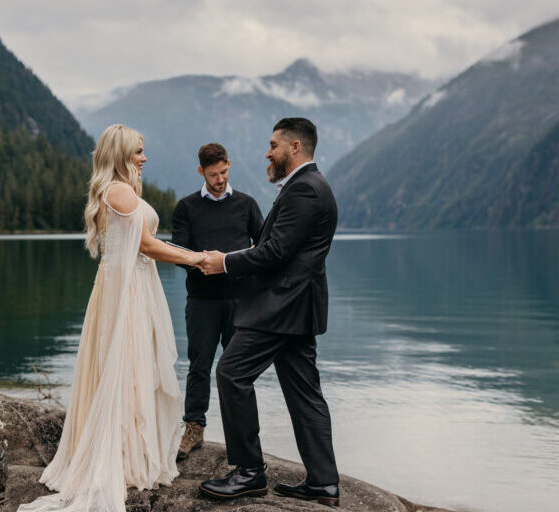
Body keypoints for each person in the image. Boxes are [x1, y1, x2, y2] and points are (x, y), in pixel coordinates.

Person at [18, 124, 206, 512]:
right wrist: (197, 258)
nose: (145, 157)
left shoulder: (120, 189)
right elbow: (148, 246)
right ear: (121, 154)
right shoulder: (120, 191)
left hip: (123, 285)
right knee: (128, 369)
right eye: (139, 150)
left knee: (127, 369)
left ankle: (129, 452)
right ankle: (123, 457)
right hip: (127, 293)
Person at [197, 118, 341, 507]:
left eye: (273, 145)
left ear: (295, 147)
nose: (267, 152)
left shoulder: (305, 190)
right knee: (304, 392)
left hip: (280, 307)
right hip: (297, 307)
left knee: (231, 373)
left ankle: (248, 472)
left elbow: (275, 252)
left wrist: (223, 261)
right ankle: (323, 484)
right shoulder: (311, 186)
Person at [170, 143, 262, 461]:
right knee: (199, 366)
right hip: (202, 302)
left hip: (240, 302)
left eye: (223, 172)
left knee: (237, 371)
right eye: (213, 174)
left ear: (229, 166)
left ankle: (241, 437)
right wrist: (201, 262)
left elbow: (262, 250)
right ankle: (194, 429)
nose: (220, 179)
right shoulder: (186, 208)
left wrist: (231, 263)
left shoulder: (247, 205)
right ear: (201, 172)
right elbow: (178, 252)